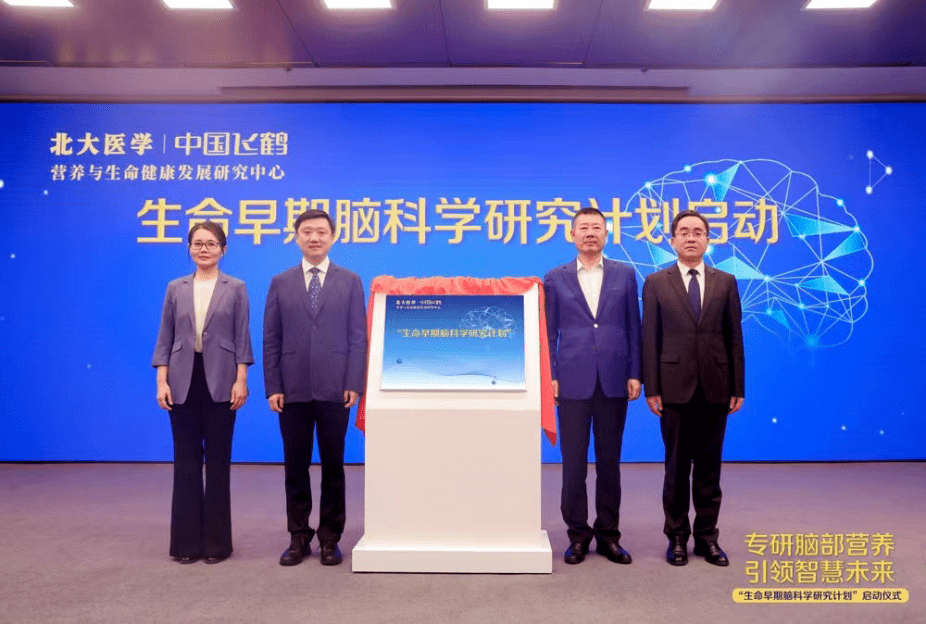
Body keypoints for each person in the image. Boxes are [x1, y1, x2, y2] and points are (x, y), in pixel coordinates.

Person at [263, 209, 367, 567]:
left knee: (333, 466)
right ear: (296, 238)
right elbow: (271, 338)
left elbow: (358, 337)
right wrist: (273, 385)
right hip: (292, 389)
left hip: (336, 388)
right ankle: (298, 537)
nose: (314, 238)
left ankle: (330, 538)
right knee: (295, 466)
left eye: (321, 232)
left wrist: (354, 382)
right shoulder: (280, 282)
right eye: (307, 231)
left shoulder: (350, 280)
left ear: (332, 237)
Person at [642, 209, 745, 567]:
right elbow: (650, 338)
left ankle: (707, 538)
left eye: (698, 232)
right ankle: (677, 537)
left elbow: (734, 337)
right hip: (673, 389)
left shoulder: (726, 281)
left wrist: (738, 386)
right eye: (683, 232)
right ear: (672, 241)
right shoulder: (656, 282)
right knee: (675, 469)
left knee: (709, 469)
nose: (690, 237)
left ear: (707, 240)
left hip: (716, 388)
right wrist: (652, 387)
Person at [543, 207, 642, 565]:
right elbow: (548, 332)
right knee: (573, 466)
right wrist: (550, 376)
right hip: (571, 381)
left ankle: (609, 535)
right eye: (583, 227)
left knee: (609, 463)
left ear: (606, 234)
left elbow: (634, 327)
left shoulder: (624, 274)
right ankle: (578, 536)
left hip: (614, 379)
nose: (590, 233)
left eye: (596, 227)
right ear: (572, 235)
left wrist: (635, 372)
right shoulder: (555, 277)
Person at [152, 221, 253, 564]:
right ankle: (186, 544)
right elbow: (165, 338)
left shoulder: (235, 287)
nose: (204, 249)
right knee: (186, 462)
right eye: (198, 243)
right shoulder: (175, 287)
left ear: (223, 250)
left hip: (222, 380)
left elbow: (242, 337)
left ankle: (217, 545)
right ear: (189, 248)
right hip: (182, 379)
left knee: (219, 462)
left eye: (211, 243)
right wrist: (161, 380)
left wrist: (241, 379)